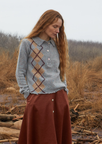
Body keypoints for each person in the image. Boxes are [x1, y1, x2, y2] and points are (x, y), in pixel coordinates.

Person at [15, 9, 72, 144]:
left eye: (59, 27)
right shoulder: (27, 43)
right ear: (44, 23)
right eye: (55, 26)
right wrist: (27, 94)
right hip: (38, 98)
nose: (58, 30)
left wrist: (65, 89)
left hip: (60, 98)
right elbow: (20, 72)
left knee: (59, 137)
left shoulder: (57, 45)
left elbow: (61, 70)